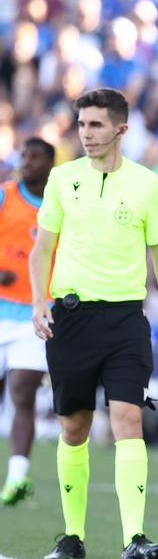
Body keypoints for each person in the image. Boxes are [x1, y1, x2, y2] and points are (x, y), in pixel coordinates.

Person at [29, 88, 158, 559]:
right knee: (74, 427)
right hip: (70, 318)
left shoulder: (146, 184)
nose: (86, 134)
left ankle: (134, 537)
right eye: (81, 125)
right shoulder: (61, 178)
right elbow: (42, 248)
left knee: (128, 420)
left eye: (95, 125)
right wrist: (39, 300)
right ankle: (72, 535)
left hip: (125, 319)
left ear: (121, 128)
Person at [0, 138, 54, 506]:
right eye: (24, 156)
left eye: (35, 156)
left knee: (23, 390)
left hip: (37, 313)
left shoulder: (60, 204)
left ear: (51, 163)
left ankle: (17, 477)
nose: (27, 162)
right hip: (1, 307)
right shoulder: (5, 196)